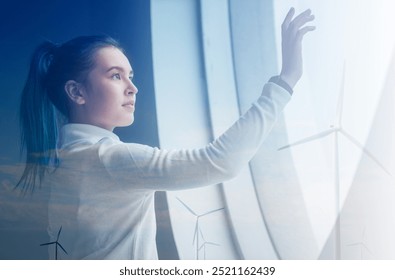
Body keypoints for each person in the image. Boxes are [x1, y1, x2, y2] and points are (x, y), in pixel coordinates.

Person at [17, 8, 315, 259]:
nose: (133, 88)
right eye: (115, 76)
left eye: (130, 76)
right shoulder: (111, 159)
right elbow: (220, 162)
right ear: (77, 91)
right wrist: (284, 82)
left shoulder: (60, 166)